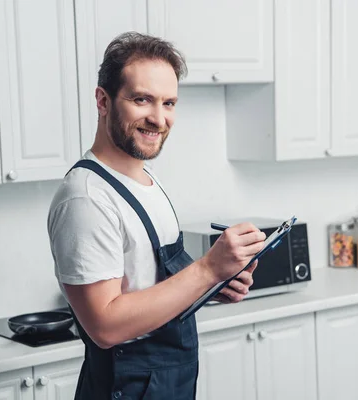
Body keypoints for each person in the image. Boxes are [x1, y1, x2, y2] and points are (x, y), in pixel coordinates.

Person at [47, 32, 266, 400]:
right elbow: (105, 324)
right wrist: (207, 269)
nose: (159, 118)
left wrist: (211, 286)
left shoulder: (145, 179)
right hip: (127, 387)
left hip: (167, 383)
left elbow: (146, 283)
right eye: (142, 100)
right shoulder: (86, 198)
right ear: (103, 101)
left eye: (169, 103)